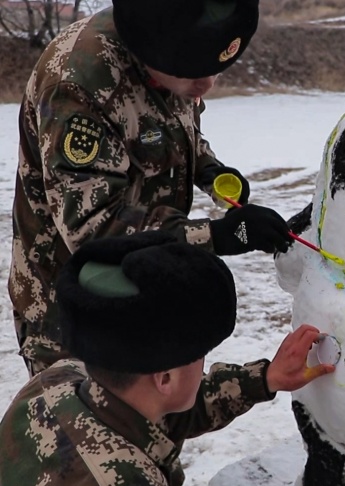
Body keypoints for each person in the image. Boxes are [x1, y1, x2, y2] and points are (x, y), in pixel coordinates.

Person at [8, 0, 292, 377]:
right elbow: (94, 228)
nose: (206, 85)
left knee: (160, 416)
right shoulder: (78, 85)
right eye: (195, 73)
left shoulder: (173, 48)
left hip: (148, 282)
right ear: (151, 53)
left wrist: (210, 171)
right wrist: (217, 236)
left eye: (216, 69)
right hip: (77, 310)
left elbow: (169, 128)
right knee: (103, 431)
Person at [0, 232, 335, 486]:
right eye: (200, 355)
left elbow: (168, 407)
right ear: (164, 377)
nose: (203, 363)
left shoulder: (53, 383)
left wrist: (265, 379)